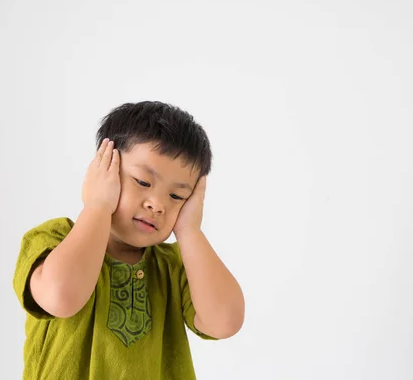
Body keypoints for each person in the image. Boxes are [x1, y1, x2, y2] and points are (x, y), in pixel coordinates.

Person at [13, 101, 245, 379]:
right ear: (104, 168)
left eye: (177, 196)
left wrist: (190, 231)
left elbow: (225, 322)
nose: (157, 204)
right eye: (143, 182)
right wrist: (97, 206)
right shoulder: (54, 239)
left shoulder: (175, 266)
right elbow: (61, 296)